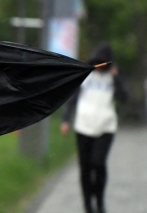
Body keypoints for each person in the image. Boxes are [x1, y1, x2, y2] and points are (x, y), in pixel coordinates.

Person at [60, 42, 127, 213]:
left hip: (106, 126)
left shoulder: (112, 77)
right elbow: (72, 98)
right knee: (85, 168)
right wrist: (66, 120)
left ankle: (99, 201)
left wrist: (116, 77)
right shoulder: (85, 75)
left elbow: (124, 97)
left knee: (98, 163)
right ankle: (88, 205)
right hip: (83, 126)